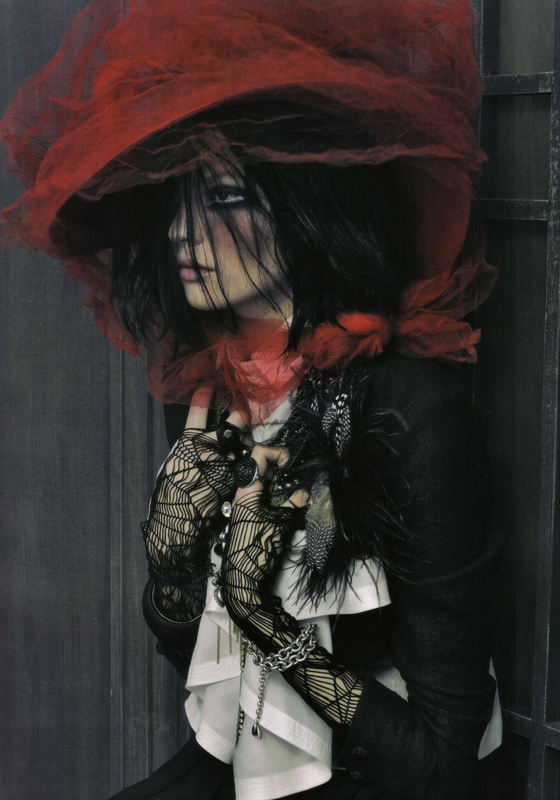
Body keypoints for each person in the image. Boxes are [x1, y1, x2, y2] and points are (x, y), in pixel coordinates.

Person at [1, 1, 502, 798]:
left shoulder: (410, 412)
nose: (183, 233)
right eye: (178, 200)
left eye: (228, 200)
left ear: (311, 208)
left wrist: (264, 619)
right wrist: (174, 567)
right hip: (233, 769)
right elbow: (205, 666)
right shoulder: (218, 390)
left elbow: (445, 769)